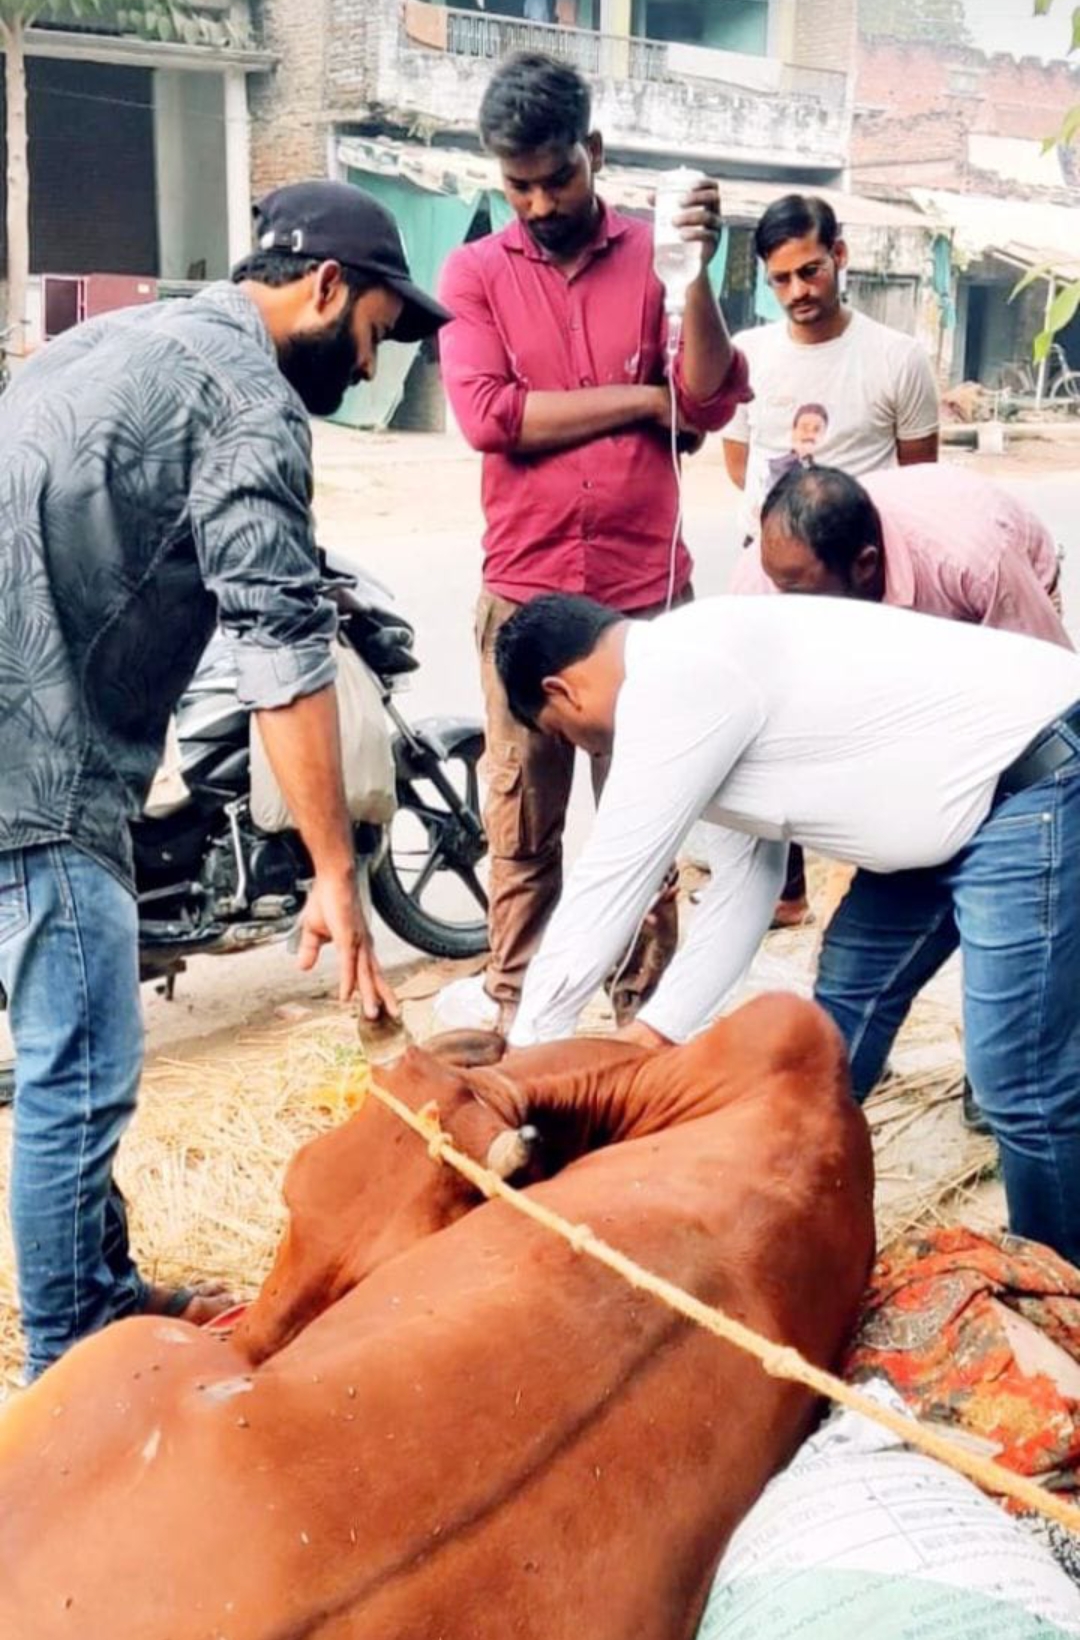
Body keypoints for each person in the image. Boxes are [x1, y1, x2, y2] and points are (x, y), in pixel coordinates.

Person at [0, 178, 449, 1380]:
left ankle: (100, 1291)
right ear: (324, 287)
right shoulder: (253, 402)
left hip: (35, 731)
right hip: (33, 758)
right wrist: (336, 873)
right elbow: (283, 652)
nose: (372, 369)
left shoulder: (121, 332)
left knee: (72, 1049)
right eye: (375, 334)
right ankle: (69, 1371)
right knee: (76, 1077)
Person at [495, 591, 1080, 1265]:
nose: (581, 747)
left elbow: (609, 881)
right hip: (950, 810)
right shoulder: (695, 697)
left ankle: (1054, 1291)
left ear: (562, 691)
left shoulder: (675, 677)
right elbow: (746, 887)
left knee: (1018, 1080)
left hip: (1031, 775)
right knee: (834, 1029)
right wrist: (653, 1037)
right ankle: (792, 1223)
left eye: (566, 736)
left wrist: (525, 1067)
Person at [435, 51, 749, 1034]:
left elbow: (702, 400)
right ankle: (521, 1021)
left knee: (646, 827)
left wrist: (692, 281)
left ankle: (635, 1031)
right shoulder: (475, 271)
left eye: (555, 177)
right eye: (516, 183)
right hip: (525, 597)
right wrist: (639, 401)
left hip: (643, 600)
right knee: (521, 825)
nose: (535, 201)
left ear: (595, 153)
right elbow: (490, 416)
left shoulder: (656, 257)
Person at [724, 194, 941, 924]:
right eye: (780, 279)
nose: (799, 292)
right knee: (765, 727)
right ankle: (783, 892)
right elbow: (736, 464)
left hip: (863, 590)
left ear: (839, 257)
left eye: (810, 271)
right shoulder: (748, 356)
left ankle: (884, 884)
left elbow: (920, 484)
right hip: (769, 575)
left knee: (874, 732)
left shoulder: (897, 359)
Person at [754, 463, 1070, 650]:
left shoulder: (975, 563)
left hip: (1008, 604)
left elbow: (1050, 684)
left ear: (865, 565)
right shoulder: (768, 572)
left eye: (795, 590)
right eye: (777, 583)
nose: (781, 600)